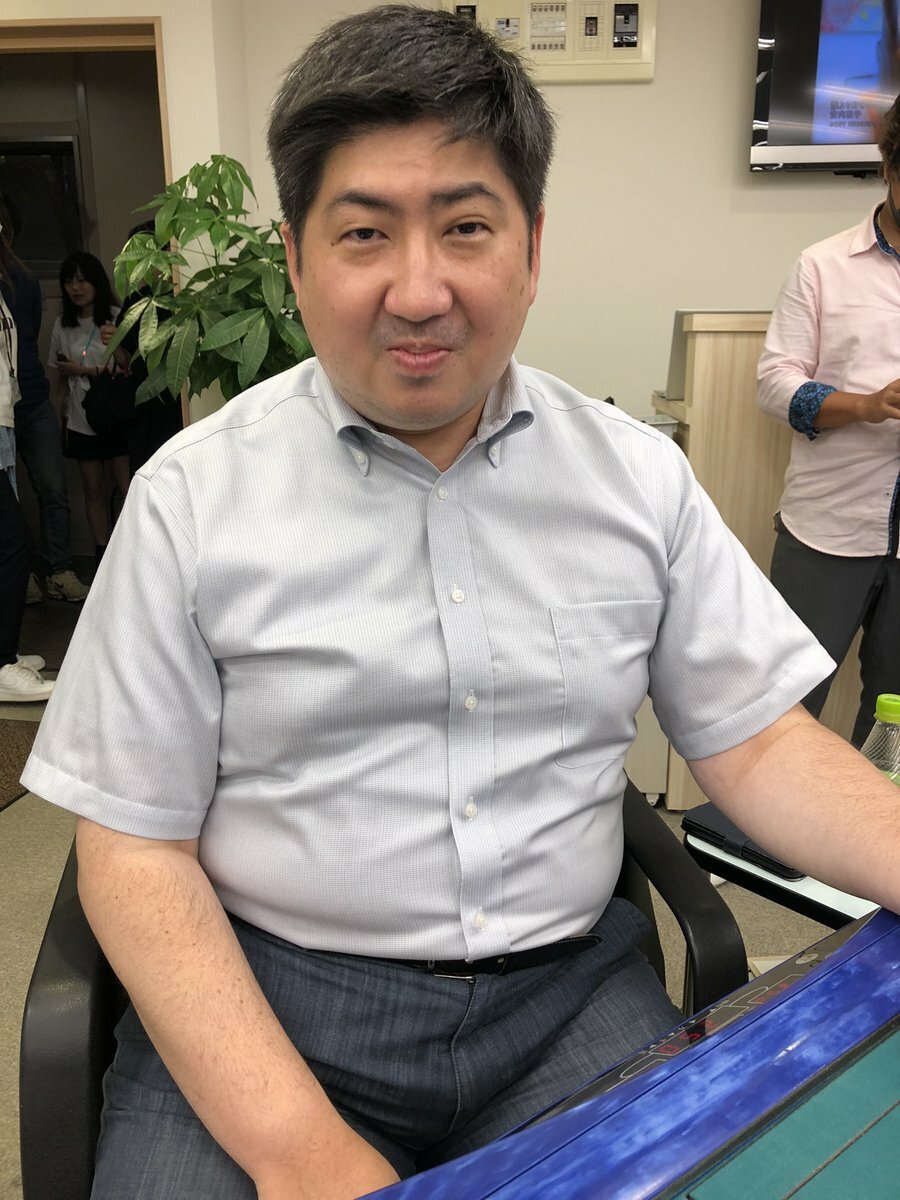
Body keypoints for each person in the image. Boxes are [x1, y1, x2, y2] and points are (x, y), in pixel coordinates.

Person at [22, 8, 900, 1199]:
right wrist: (299, 1149)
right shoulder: (192, 498)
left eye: (467, 227)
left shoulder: (635, 478)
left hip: (563, 1002)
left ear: (532, 249)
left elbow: (760, 746)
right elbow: (133, 845)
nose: (419, 290)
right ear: (294, 259)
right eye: (364, 232)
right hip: (271, 997)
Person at [757, 93, 900, 749]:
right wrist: (866, 405)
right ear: (888, 168)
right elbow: (775, 383)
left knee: (894, 722)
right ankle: (765, 823)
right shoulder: (823, 266)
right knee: (785, 709)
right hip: (828, 529)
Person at [0, 195, 89, 604]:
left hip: (31, 397)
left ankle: (60, 570)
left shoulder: (25, 280)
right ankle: (21, 577)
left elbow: (27, 335)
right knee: (9, 497)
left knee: (53, 487)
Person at [0, 227, 54, 702]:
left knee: (10, 541)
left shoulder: (10, 283)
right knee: (14, 542)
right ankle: (2, 662)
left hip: (5, 416)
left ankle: (6, 651)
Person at [49, 251, 126, 570]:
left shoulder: (116, 316)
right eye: (69, 281)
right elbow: (60, 381)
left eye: (82, 280)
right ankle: (102, 555)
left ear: (96, 281)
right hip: (81, 418)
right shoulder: (62, 324)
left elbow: (128, 368)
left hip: (115, 414)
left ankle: (129, 552)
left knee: (127, 487)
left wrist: (86, 369)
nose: (75, 288)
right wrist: (59, 420)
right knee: (93, 489)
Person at [100, 221, 183, 477]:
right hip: (143, 403)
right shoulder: (135, 300)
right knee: (147, 473)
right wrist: (113, 342)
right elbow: (125, 360)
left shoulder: (184, 296)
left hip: (179, 400)